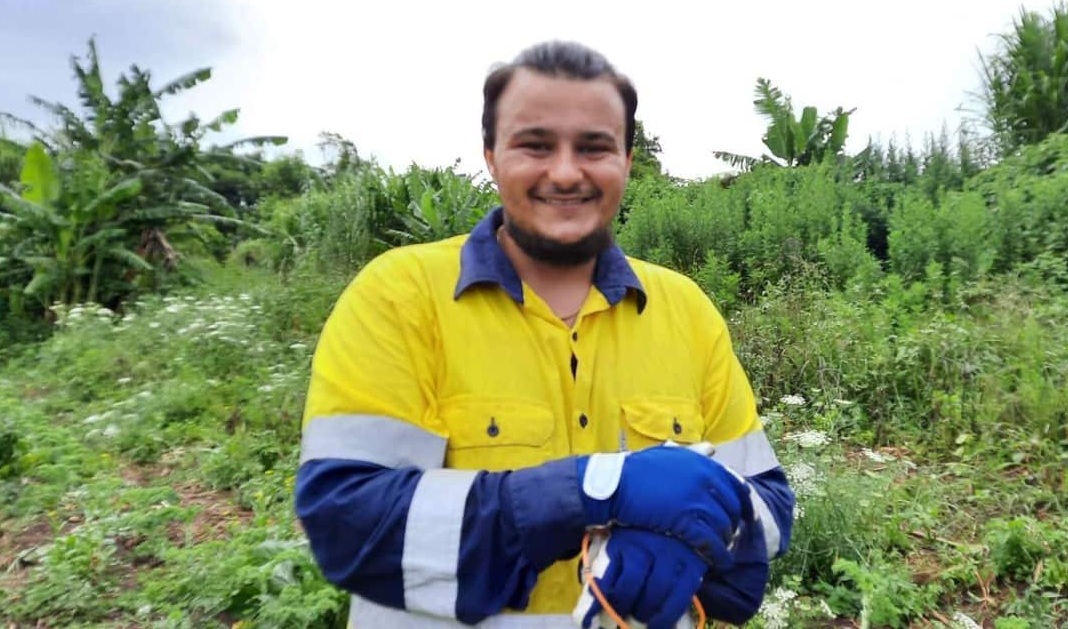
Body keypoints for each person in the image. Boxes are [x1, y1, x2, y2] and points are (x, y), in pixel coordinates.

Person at [295, 41, 794, 628]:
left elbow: (769, 506)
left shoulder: (686, 310)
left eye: (594, 147)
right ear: (490, 155)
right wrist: (593, 490)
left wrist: (692, 538)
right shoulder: (399, 296)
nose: (564, 171)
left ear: (627, 161)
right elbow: (348, 525)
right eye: (535, 145)